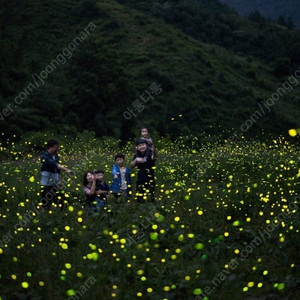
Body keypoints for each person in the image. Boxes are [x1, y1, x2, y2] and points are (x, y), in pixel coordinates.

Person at [40, 139, 72, 209]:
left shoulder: (56, 156)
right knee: (46, 203)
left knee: (60, 202)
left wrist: (59, 181)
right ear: (50, 147)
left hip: (55, 183)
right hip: (46, 184)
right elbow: (56, 165)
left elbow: (58, 170)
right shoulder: (44, 157)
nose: (57, 149)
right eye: (55, 147)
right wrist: (67, 170)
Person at [130, 139, 156, 203]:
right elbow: (131, 166)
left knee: (150, 197)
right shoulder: (137, 154)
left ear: (146, 145)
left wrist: (154, 151)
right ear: (137, 147)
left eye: (143, 145)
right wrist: (136, 160)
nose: (142, 147)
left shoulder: (150, 152)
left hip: (150, 178)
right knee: (140, 197)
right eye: (140, 145)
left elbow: (153, 158)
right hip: (140, 178)